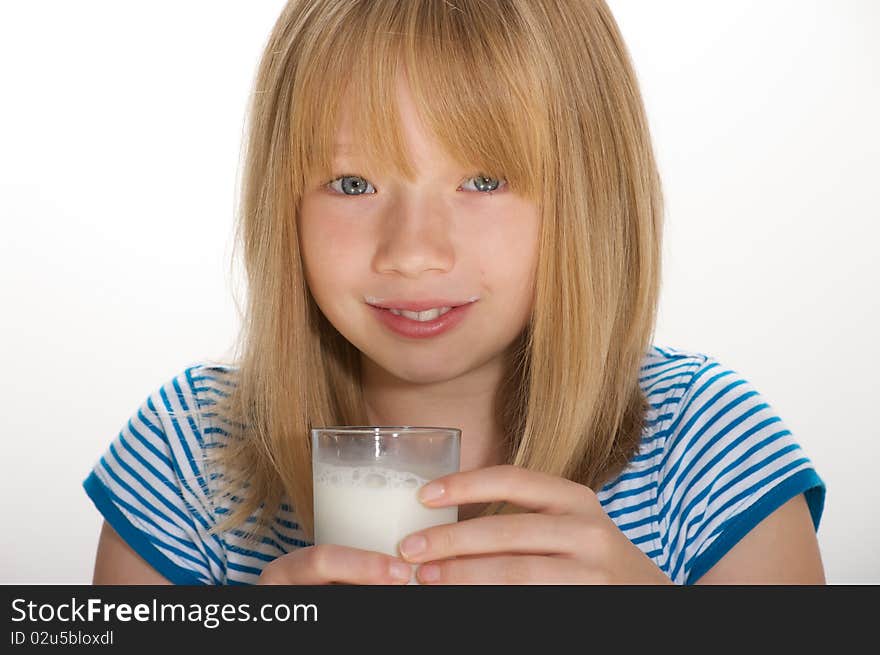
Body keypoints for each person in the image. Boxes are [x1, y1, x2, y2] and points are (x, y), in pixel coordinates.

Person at [84, 0, 825, 585]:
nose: (412, 253)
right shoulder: (192, 455)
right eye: (353, 183)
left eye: (483, 180)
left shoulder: (704, 445)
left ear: (593, 195)